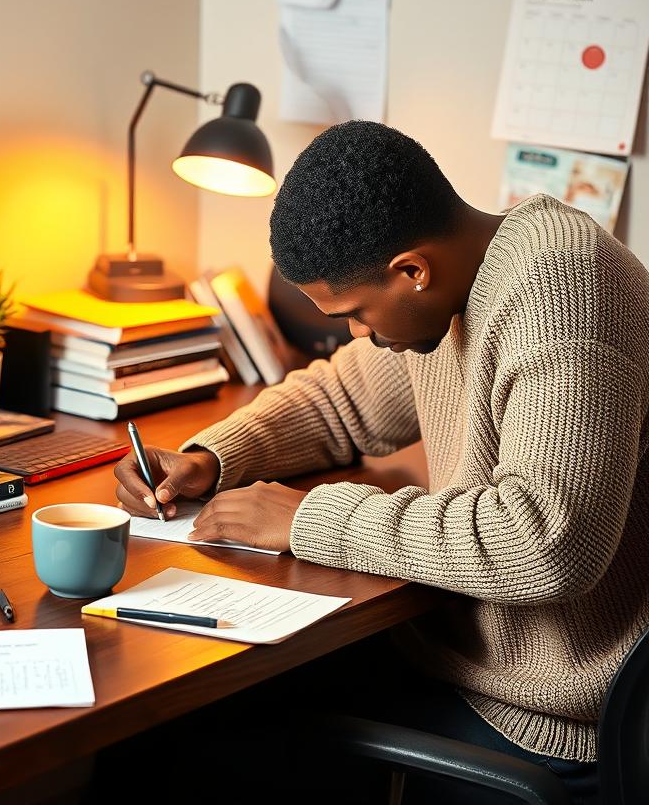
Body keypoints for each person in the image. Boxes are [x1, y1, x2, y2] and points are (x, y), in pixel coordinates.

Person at [113, 121, 649, 802]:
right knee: (174, 727)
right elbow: (340, 397)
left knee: (184, 749)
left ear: (411, 271)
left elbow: (545, 540)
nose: (357, 334)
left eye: (356, 313)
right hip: (454, 662)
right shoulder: (465, 280)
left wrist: (308, 518)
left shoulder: (566, 290)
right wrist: (211, 457)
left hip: (540, 718)